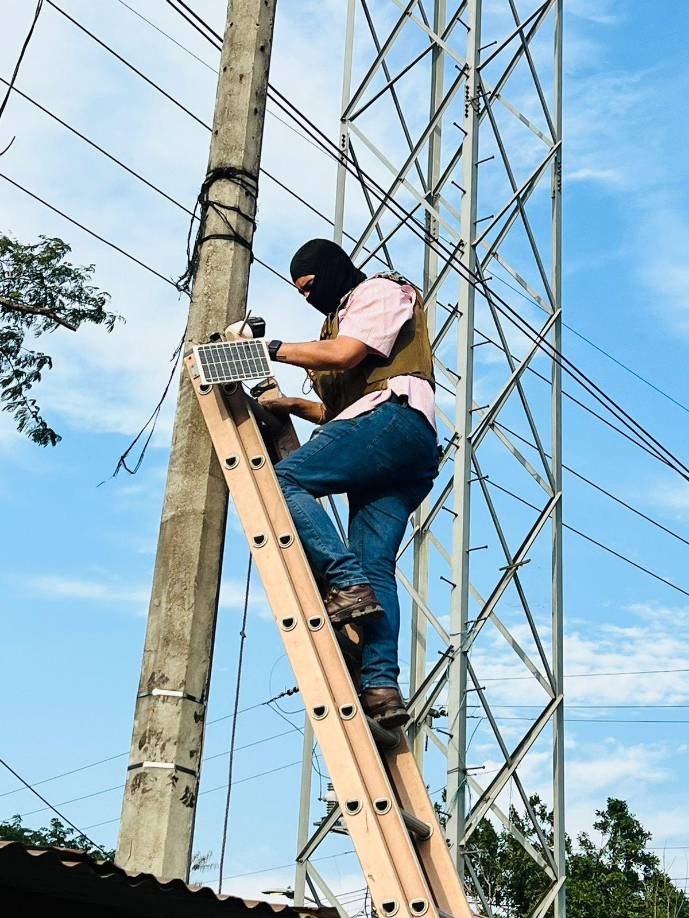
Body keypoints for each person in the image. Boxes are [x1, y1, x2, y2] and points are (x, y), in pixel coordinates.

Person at [261, 238, 439, 728]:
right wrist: (291, 406)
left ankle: (345, 581)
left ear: (334, 272)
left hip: (394, 421)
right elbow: (340, 414)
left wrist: (267, 349)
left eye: (311, 287)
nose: (308, 298)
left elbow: (344, 355)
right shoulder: (338, 321)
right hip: (395, 443)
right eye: (299, 293)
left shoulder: (379, 292)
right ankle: (382, 688)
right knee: (375, 564)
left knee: (280, 482)